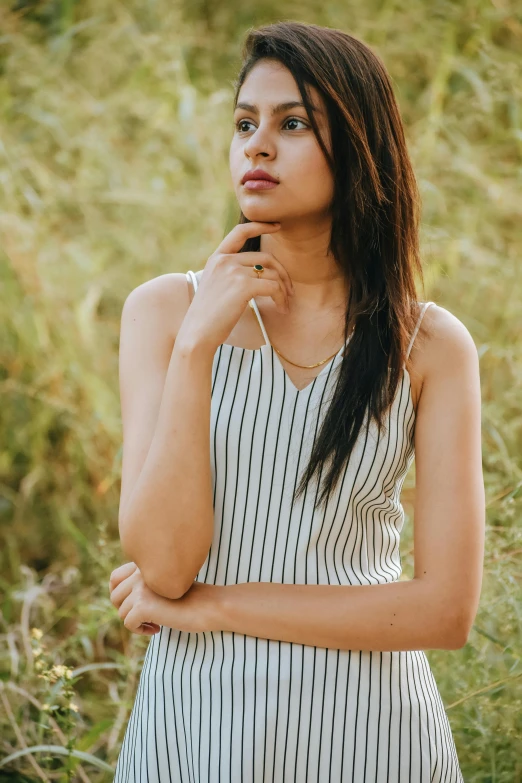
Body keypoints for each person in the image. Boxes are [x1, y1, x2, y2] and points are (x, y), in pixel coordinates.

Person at [108, 20, 484, 783]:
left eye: (293, 123)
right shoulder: (162, 314)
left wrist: (216, 607)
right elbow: (163, 564)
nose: (257, 145)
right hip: (194, 728)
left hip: (372, 734)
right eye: (246, 122)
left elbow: (444, 611)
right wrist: (195, 349)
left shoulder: (430, 346)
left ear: (359, 144)